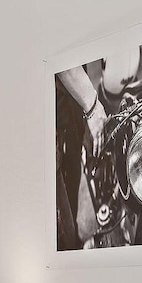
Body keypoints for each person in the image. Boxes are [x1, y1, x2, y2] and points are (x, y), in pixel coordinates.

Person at [55, 66, 108, 249]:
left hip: (68, 106)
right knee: (62, 230)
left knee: (73, 176)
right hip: (53, 117)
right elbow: (62, 62)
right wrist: (92, 107)